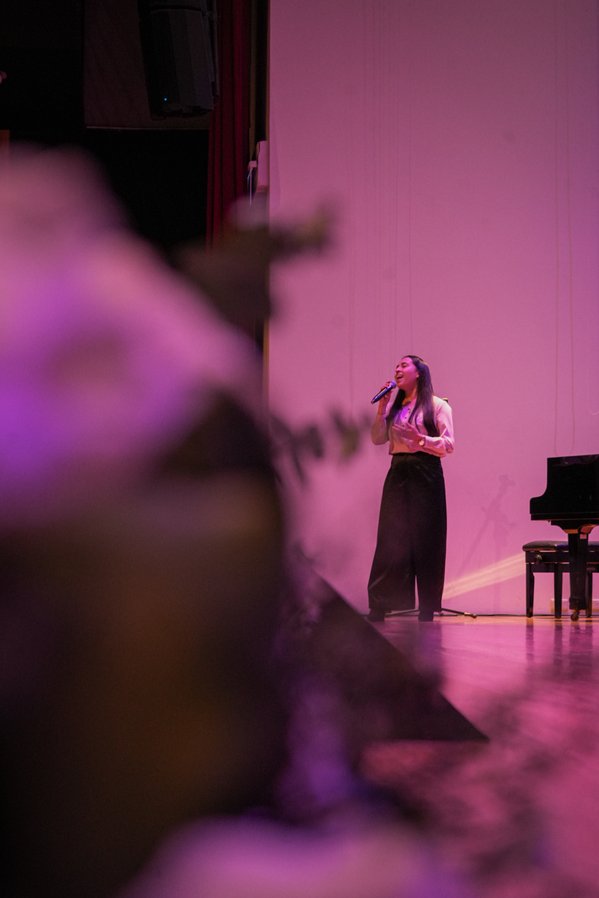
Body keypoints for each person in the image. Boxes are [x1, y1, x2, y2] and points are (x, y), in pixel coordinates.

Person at [367, 355, 454, 622]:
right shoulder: (394, 407)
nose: (398, 369)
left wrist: (422, 441)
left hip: (426, 471)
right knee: (391, 536)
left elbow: (449, 444)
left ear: (419, 373)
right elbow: (377, 439)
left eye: (404, 365)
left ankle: (427, 606)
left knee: (427, 538)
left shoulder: (437, 405)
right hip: (398, 471)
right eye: (396, 366)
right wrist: (382, 408)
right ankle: (380, 604)